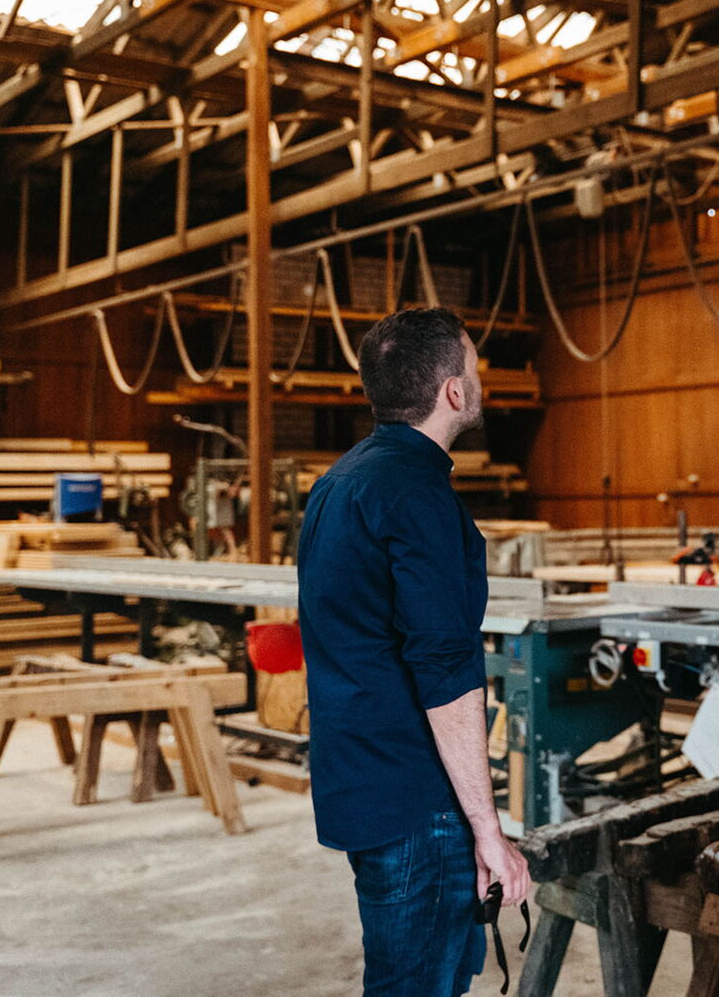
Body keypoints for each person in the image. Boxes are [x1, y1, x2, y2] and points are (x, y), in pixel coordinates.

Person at [297, 307, 530, 996]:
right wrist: (488, 830)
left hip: (361, 785)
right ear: (453, 392)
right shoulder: (417, 495)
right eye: (474, 367)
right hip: (415, 801)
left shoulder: (341, 483)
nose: (479, 380)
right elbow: (446, 674)